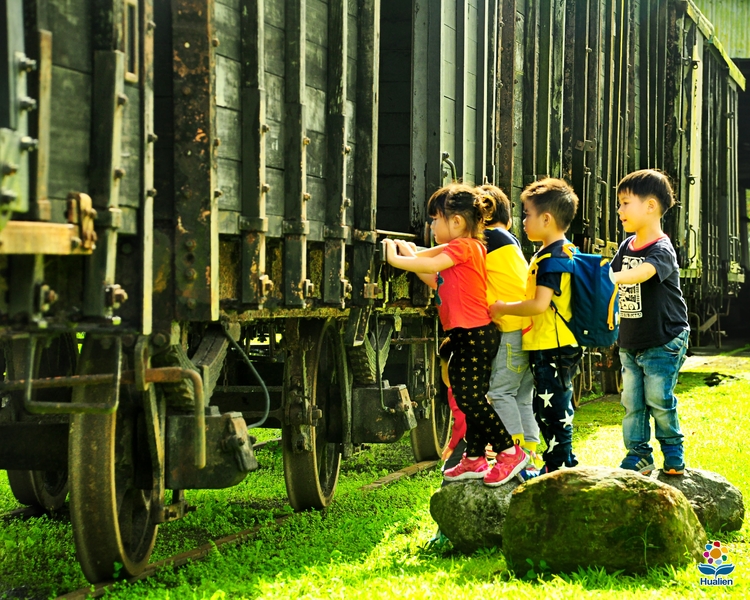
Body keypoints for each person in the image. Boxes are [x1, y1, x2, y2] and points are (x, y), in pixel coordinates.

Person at [384, 184, 527, 486]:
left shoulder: (465, 246)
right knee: (469, 397)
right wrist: (411, 254)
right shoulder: (461, 249)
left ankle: (508, 451)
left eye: (436, 219)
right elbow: (432, 269)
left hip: (474, 334)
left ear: (457, 222)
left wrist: (398, 260)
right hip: (469, 334)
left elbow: (432, 262)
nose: (431, 225)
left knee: (471, 399)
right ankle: (474, 458)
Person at [489, 178, 582, 473]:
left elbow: (539, 304)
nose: (523, 221)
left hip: (551, 345)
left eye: (527, 214)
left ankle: (558, 466)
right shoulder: (551, 253)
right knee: (547, 407)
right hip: (547, 342)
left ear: (546, 218)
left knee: (553, 410)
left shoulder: (553, 259)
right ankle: (555, 461)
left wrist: (504, 307)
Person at [610, 169, 689, 476]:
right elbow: (612, 287)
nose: (619, 210)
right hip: (631, 340)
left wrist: (613, 276)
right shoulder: (625, 246)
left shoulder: (662, 248)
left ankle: (672, 451)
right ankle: (639, 454)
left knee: (659, 399)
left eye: (625, 203)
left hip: (664, 338)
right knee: (632, 402)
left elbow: (643, 273)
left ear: (651, 206)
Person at [478, 184, 540, 468]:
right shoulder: (509, 240)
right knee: (522, 396)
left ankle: (511, 454)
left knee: (500, 392)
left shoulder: (490, 238)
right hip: (527, 328)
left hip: (512, 329)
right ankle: (529, 454)